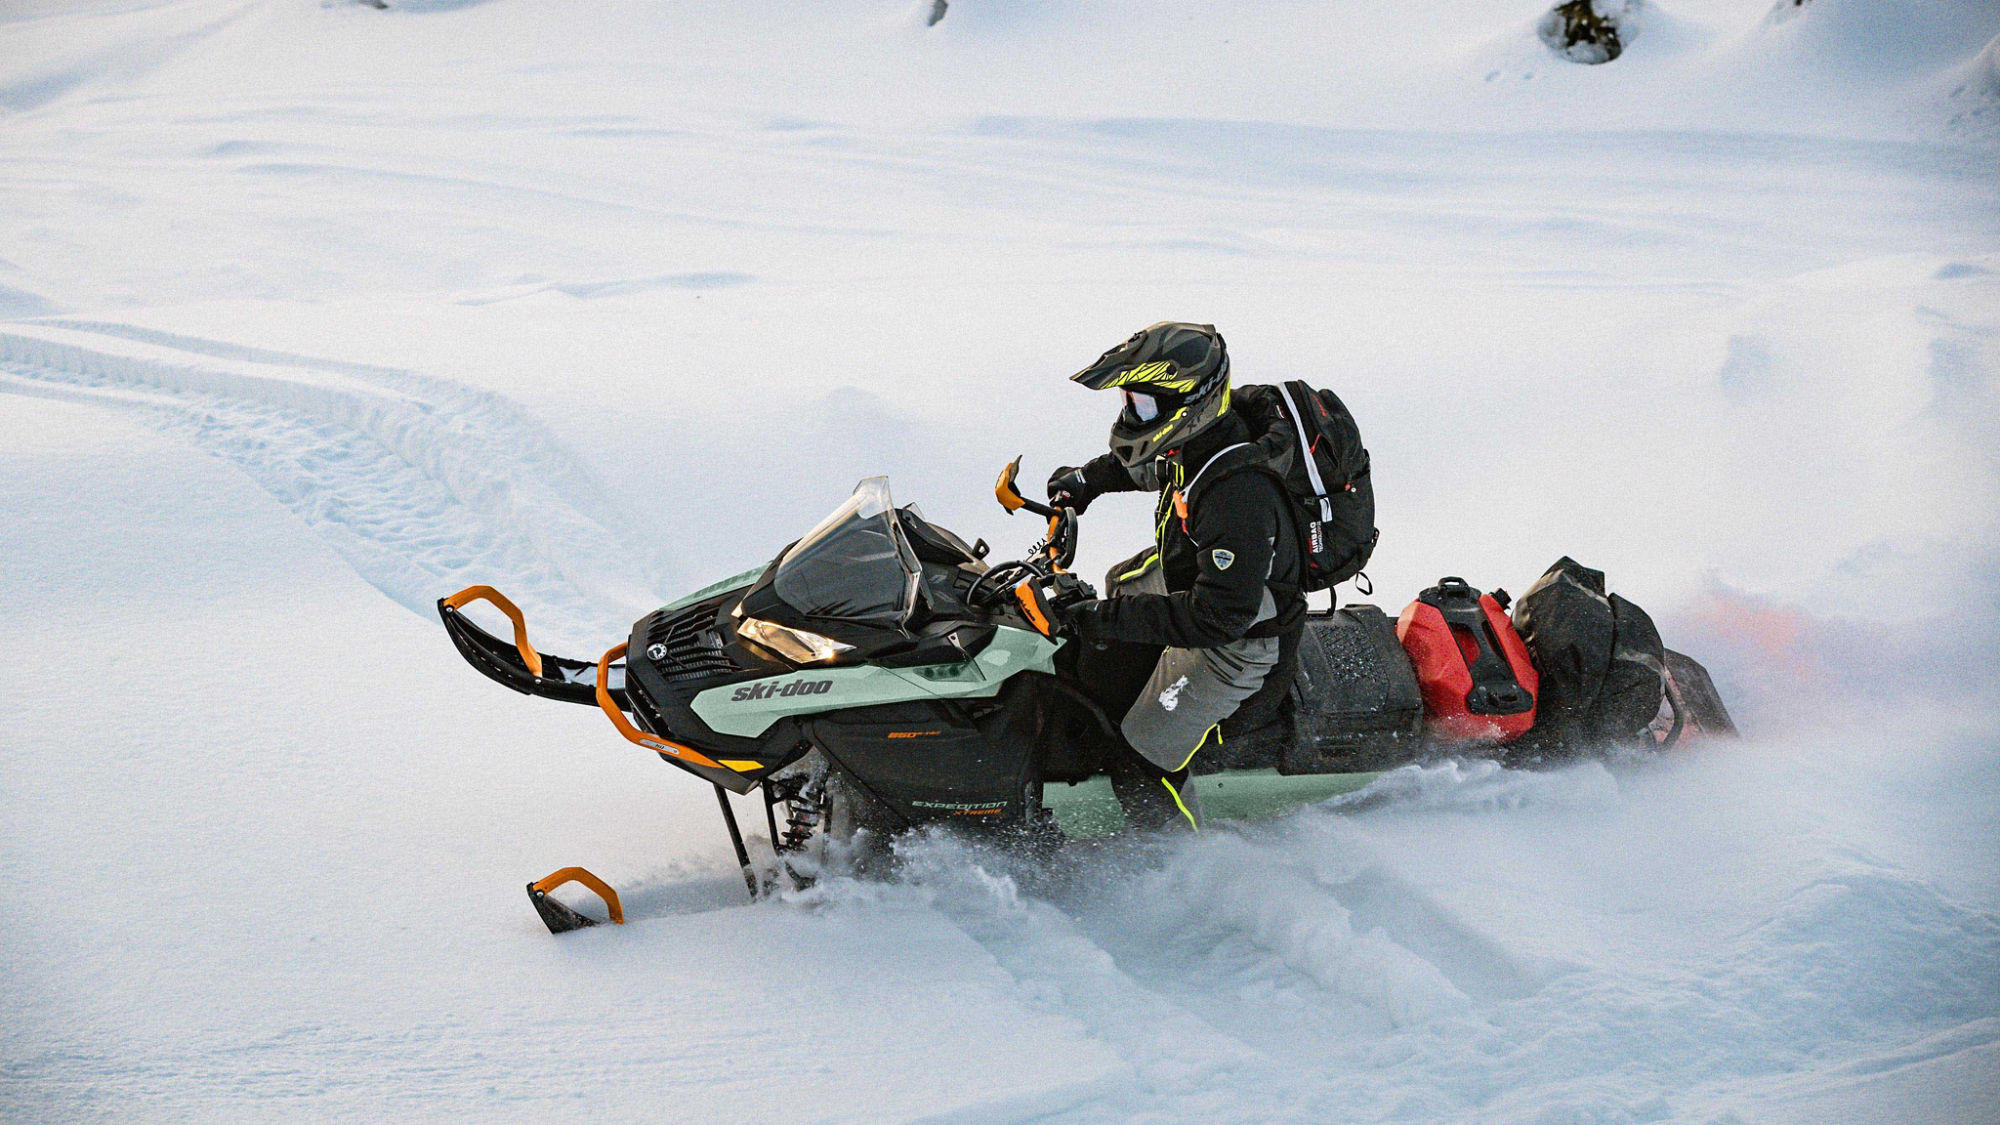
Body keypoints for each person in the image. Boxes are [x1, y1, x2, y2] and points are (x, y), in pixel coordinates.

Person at [1045, 322, 1306, 830]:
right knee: (1123, 580)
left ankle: (1179, 863)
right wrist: (1089, 480)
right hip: (1199, 577)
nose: (1131, 416)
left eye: (1142, 405)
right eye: (1130, 403)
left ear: (1191, 404)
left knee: (1142, 758)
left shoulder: (1238, 495)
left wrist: (1102, 618)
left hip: (1238, 640)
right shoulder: (1204, 438)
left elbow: (1220, 616)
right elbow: (1157, 465)